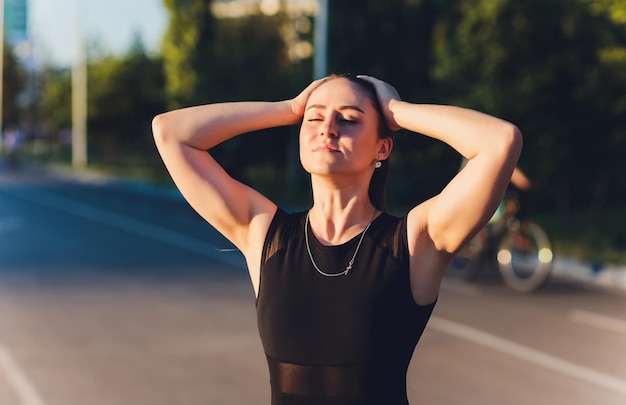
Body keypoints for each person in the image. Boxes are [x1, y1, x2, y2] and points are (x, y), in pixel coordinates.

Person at [152, 73, 522, 404]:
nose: (328, 127)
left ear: (383, 148)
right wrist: (289, 107)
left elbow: (500, 141)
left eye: (348, 118)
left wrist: (396, 109)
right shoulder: (265, 233)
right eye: (315, 118)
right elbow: (171, 132)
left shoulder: (414, 241)